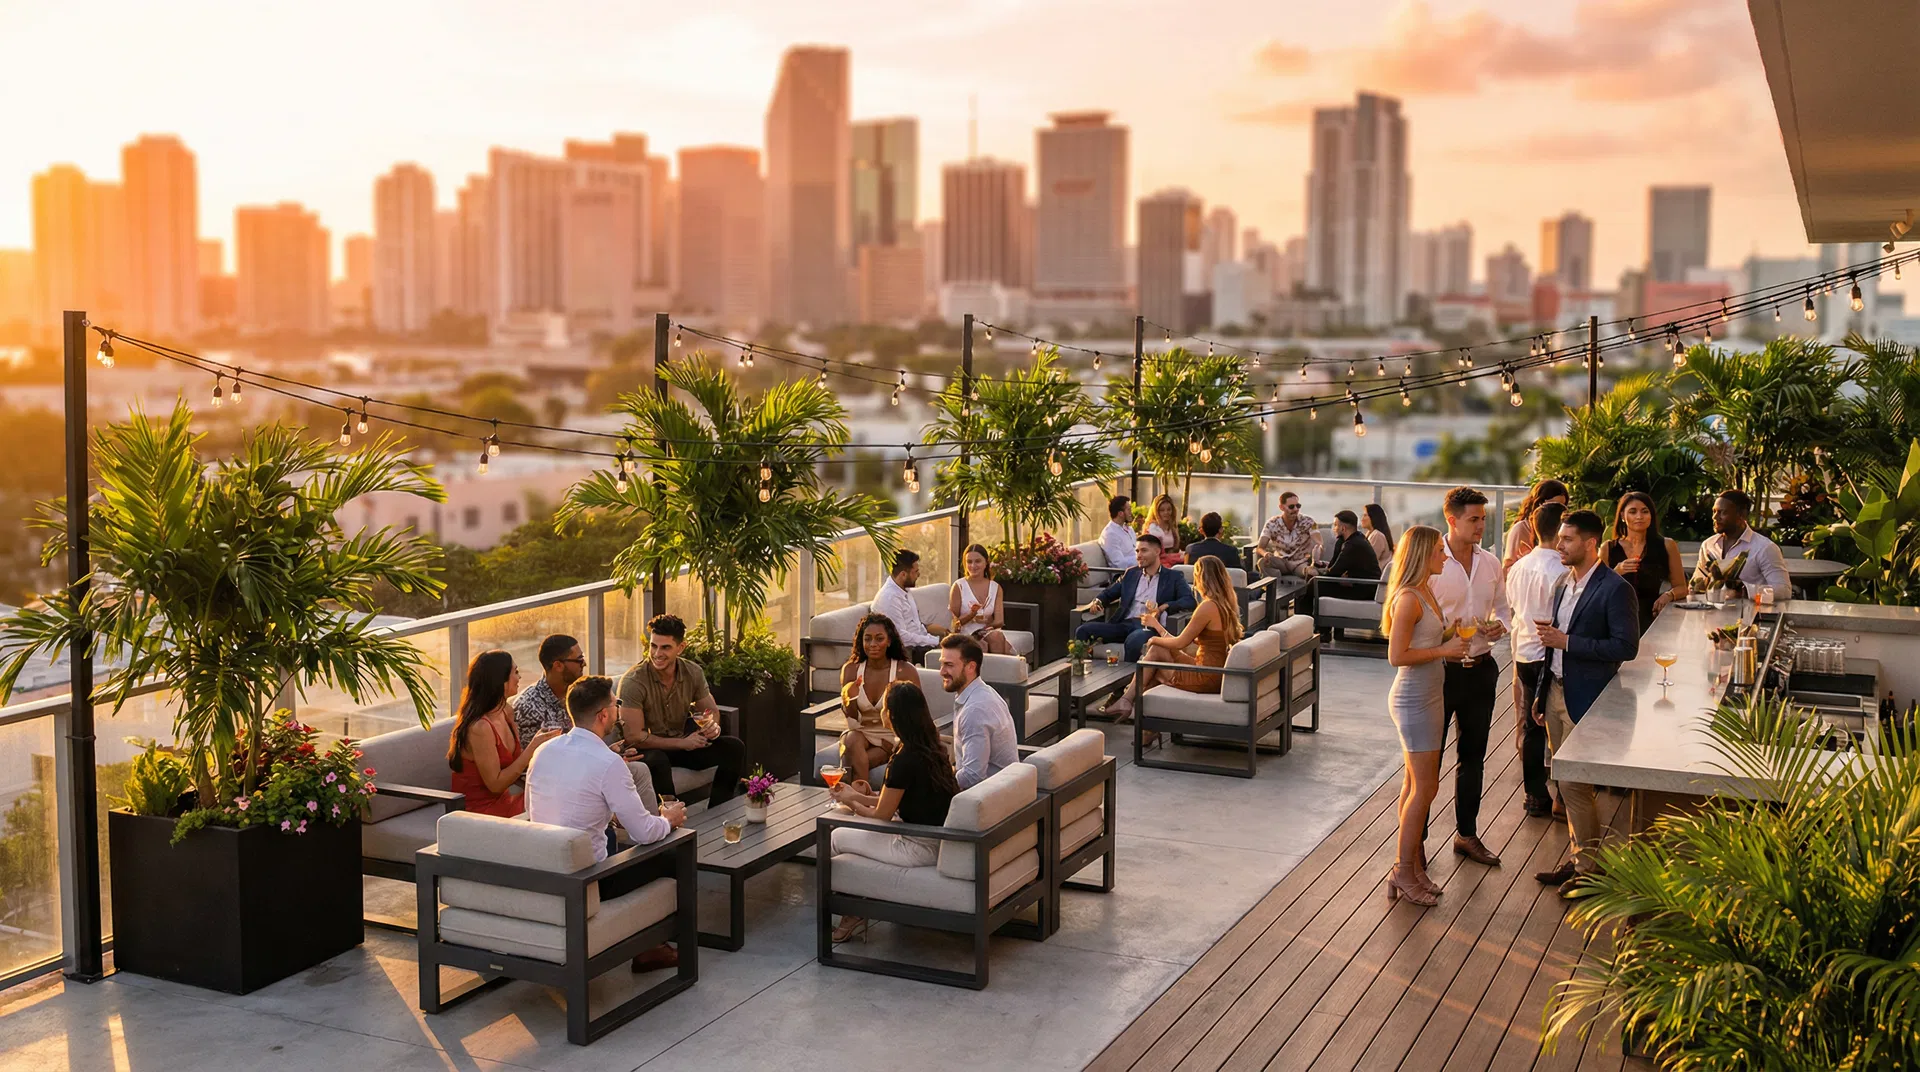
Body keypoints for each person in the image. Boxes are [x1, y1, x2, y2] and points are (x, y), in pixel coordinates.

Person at [526, 675, 687, 973]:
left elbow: (531, 809)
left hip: (544, 868)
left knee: (611, 836)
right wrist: (669, 819)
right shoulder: (608, 763)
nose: (618, 710)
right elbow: (644, 832)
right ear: (603, 715)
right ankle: (652, 949)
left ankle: (649, 946)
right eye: (615, 704)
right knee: (675, 855)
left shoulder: (542, 752)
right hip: (590, 879)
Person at [1531, 509, 1640, 897]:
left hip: (1588, 698)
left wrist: (1569, 642)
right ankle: (1583, 860)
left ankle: (1588, 869)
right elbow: (1552, 643)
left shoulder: (1615, 589)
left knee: (1575, 784)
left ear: (1591, 543)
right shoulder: (1563, 582)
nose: (1559, 545)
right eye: (1560, 538)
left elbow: (1626, 647)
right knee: (1566, 783)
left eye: (1568, 539)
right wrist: (1541, 691)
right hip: (1555, 692)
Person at [825, 681, 960, 942]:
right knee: (850, 821)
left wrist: (851, 801)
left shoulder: (905, 758)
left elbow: (882, 816)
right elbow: (896, 800)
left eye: (884, 708)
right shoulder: (932, 747)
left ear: (894, 715)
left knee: (835, 837)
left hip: (917, 845)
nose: (881, 712)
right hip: (935, 837)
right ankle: (857, 903)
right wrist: (860, 796)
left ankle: (852, 911)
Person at [1381, 525, 1468, 907]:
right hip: (1414, 699)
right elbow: (1397, 656)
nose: (1445, 556)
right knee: (1425, 788)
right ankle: (1403, 870)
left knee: (1414, 785)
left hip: (1430, 694)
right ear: (1422, 554)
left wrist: (1453, 634)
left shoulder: (1425, 590)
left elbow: (1426, 639)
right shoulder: (1408, 599)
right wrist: (1444, 651)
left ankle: (1410, 868)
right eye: (1439, 551)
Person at [1430, 486, 1512, 867]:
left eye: (1483, 518)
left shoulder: (1491, 563)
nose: (1481, 525)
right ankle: (1416, 843)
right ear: (1452, 519)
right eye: (1474, 519)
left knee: (1473, 757)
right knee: (1428, 760)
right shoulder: (1432, 562)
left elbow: (1504, 609)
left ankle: (1466, 834)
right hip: (1439, 674)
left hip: (1481, 670)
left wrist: (1500, 626)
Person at [615, 614, 747, 808]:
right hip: (647, 751)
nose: (657, 653)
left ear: (681, 647)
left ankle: (719, 809)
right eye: (653, 646)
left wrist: (712, 727)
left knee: (733, 747)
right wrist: (682, 743)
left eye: (665, 647)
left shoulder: (692, 672)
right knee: (658, 759)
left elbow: (710, 711)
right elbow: (634, 737)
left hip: (680, 746)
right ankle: (669, 817)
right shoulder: (634, 682)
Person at [1131, 556, 1243, 744]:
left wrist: (1154, 636)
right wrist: (1157, 627)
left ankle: (1131, 704)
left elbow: (1180, 643)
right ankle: (1142, 722)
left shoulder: (1208, 607)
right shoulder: (1225, 604)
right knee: (1156, 656)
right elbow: (1184, 644)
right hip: (1215, 672)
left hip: (1206, 677)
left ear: (1201, 578)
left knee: (1154, 657)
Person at [1506, 504, 1569, 819]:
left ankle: (1534, 794)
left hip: (1523, 653)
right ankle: (1563, 797)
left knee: (1531, 727)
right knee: (1560, 726)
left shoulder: (1519, 566)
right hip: (1551, 656)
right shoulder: (1563, 570)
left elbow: (1513, 607)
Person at [449, 650, 561, 817]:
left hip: (504, 801)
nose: (519, 677)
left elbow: (513, 770)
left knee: (565, 795)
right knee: (558, 805)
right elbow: (495, 785)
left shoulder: (506, 711)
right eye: (515, 672)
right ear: (499, 680)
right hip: (478, 812)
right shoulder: (480, 727)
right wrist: (532, 748)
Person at [1074, 533, 1198, 672]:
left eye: (1144, 550)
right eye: (1137, 551)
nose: (1139, 555)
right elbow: (1109, 593)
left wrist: (1164, 606)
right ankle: (1080, 672)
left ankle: (1128, 681)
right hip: (1123, 624)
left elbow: (1189, 601)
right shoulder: (1131, 574)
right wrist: (1098, 601)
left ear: (1157, 551)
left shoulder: (1173, 577)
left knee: (1134, 640)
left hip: (1149, 627)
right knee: (1083, 630)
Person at [838, 613, 916, 786]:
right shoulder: (851, 670)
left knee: (853, 763)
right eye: (867, 639)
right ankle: (863, 796)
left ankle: (856, 796)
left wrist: (900, 744)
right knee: (851, 739)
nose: (872, 644)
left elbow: (916, 715)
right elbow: (851, 718)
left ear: (889, 641)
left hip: (891, 737)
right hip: (861, 732)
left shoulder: (905, 671)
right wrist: (849, 698)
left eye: (879, 638)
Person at [1603, 491, 1689, 633]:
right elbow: (1596, 589)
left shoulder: (1667, 545)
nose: (1639, 516)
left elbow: (1682, 587)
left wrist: (1668, 595)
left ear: (1651, 516)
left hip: (1652, 621)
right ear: (1622, 516)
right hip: (1615, 622)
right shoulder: (1608, 548)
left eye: (1645, 511)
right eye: (1632, 512)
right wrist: (1617, 572)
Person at [939, 634, 1017, 788]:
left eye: (949, 665)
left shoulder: (975, 710)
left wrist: (937, 783)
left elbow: (972, 776)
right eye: (941, 664)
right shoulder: (983, 692)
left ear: (971, 667)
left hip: (990, 794)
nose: (942, 671)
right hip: (994, 789)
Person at [1695, 489, 1790, 597]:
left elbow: (1783, 590)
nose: (1715, 517)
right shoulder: (1708, 545)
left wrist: (1744, 591)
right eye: (1714, 511)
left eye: (1722, 512)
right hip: (1710, 607)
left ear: (1741, 515)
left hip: (1752, 608)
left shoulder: (1765, 548)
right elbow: (1697, 583)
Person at [512, 633, 586, 746]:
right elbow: (533, 755)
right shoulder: (528, 707)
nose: (584, 664)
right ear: (558, 666)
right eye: (579, 660)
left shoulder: (581, 694)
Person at [872, 549, 947, 658]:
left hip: (923, 645)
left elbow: (916, 627)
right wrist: (935, 641)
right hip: (909, 651)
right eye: (915, 571)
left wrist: (939, 638)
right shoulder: (889, 598)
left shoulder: (904, 590)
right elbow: (901, 637)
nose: (919, 574)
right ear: (903, 574)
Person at [949, 543, 1015, 655]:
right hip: (965, 633)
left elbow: (999, 621)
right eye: (969, 562)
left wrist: (987, 627)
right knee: (980, 645)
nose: (973, 566)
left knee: (996, 636)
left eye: (977, 561)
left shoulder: (995, 587)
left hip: (986, 631)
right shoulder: (959, 586)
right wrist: (971, 615)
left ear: (986, 563)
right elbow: (954, 623)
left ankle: (999, 666)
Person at [1503, 479, 1570, 572]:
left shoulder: (1563, 530)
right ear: (1540, 504)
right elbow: (1508, 567)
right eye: (1553, 505)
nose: (1557, 511)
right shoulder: (1521, 529)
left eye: (1562, 506)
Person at [1254, 492, 1322, 579]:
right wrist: (1265, 554)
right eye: (1291, 506)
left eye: (1298, 506)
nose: (1296, 509)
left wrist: (1318, 550)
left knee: (1312, 572)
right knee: (1262, 562)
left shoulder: (1308, 521)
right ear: (1281, 507)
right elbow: (1260, 548)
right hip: (1281, 562)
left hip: (1301, 563)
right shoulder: (1272, 523)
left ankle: (1307, 586)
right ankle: (1274, 586)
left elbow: (1319, 542)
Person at [1319, 509, 1383, 600]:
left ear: (1343, 528)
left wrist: (1316, 572)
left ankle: (1305, 609)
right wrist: (1319, 565)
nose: (1334, 528)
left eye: (1335, 525)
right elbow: (1333, 567)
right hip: (1358, 585)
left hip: (1365, 590)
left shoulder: (1353, 545)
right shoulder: (1353, 539)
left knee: (1315, 584)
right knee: (1317, 582)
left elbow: (1334, 572)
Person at [1143, 493, 1186, 565]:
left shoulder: (1172, 526)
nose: (1166, 513)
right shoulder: (1152, 528)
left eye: (1169, 509)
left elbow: (1175, 548)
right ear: (1156, 511)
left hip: (1172, 561)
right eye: (1162, 510)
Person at [1099, 495, 1139, 570]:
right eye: (1129, 510)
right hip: (1123, 574)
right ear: (1120, 513)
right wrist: (1141, 558)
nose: (1131, 513)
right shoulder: (1110, 534)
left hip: (1137, 569)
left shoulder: (1128, 529)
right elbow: (1119, 564)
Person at [1362, 503, 1395, 576]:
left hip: (1375, 578)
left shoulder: (1377, 535)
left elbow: (1368, 561)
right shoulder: (1370, 534)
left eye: (1365, 515)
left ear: (1373, 517)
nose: (1362, 519)